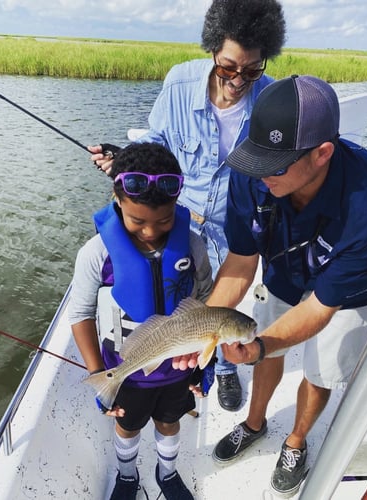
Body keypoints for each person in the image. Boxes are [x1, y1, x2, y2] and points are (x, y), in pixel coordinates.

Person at [174, 75, 367, 497]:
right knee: (263, 345)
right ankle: (254, 423)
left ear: (322, 153)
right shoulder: (254, 172)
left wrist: (261, 344)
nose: (261, 177)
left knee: (321, 368)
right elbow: (241, 261)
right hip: (284, 267)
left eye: (274, 166)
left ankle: (296, 441)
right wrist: (203, 330)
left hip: (349, 293)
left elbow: (321, 308)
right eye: (256, 162)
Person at [89, 0, 286, 412]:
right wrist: (125, 162)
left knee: (227, 317)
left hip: (234, 226)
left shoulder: (270, 102)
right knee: (185, 306)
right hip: (184, 222)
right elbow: (156, 144)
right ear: (212, 49)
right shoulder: (179, 82)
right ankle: (183, 368)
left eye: (252, 70)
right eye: (228, 67)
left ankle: (224, 369)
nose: (238, 80)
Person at [68, 142, 213, 500]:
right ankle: (127, 475)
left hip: (179, 367)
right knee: (127, 426)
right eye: (137, 221)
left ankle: (167, 473)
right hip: (126, 368)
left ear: (176, 208)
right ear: (117, 200)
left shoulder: (192, 246)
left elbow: (208, 300)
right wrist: (101, 377)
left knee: (170, 420)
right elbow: (81, 314)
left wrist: (209, 362)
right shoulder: (96, 253)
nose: (150, 231)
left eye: (163, 221)